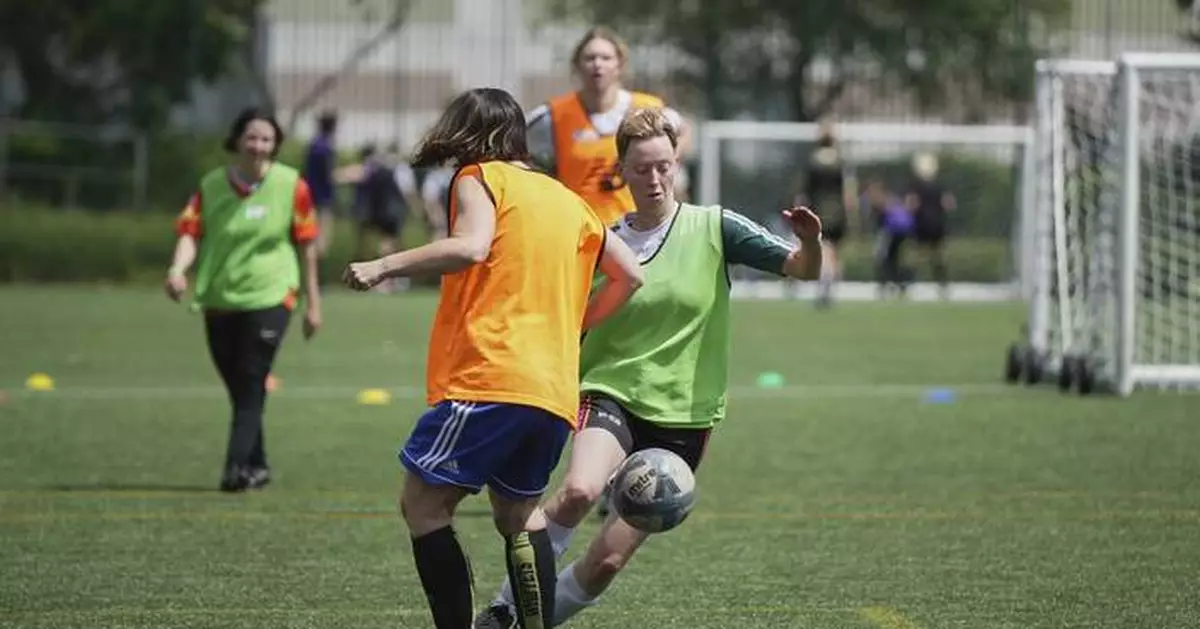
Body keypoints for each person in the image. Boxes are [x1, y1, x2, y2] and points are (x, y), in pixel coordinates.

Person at [474, 107, 823, 629]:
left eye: (664, 166)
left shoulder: (715, 227)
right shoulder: (599, 239)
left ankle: (534, 619)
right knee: (578, 491)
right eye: (642, 169)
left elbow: (802, 270)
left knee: (606, 562)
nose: (655, 179)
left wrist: (812, 242)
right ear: (623, 171)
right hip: (610, 393)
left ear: (677, 164)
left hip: (684, 417)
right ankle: (504, 613)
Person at [341, 87, 644, 629]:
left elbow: (471, 245)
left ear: (469, 133)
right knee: (519, 516)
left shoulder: (480, 177)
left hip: (492, 378)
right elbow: (630, 274)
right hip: (552, 388)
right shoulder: (566, 197)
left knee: (424, 506)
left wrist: (384, 265)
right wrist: (577, 324)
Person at [165, 107, 323, 492]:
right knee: (240, 388)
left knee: (252, 380)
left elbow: (307, 249)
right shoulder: (211, 185)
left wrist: (313, 303)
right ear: (237, 140)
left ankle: (235, 469)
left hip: (272, 296)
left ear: (275, 145)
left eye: (266, 139)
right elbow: (190, 232)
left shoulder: (293, 186)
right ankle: (259, 464)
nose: (258, 146)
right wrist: (177, 269)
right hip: (219, 298)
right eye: (251, 137)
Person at [526, 26, 691, 226]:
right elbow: (519, 155)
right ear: (576, 65)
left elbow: (683, 131)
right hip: (579, 231)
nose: (597, 64)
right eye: (590, 58)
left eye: (605, 58)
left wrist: (669, 163)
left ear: (620, 65)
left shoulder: (647, 108)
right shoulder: (553, 116)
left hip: (638, 229)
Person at [796, 117, 855, 308]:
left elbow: (804, 192)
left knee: (826, 250)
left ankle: (825, 287)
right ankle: (830, 287)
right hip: (838, 212)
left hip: (819, 211)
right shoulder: (841, 161)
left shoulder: (813, 162)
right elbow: (848, 191)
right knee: (834, 251)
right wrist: (852, 213)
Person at [905, 152, 957, 298]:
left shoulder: (915, 186)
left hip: (922, 224)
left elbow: (911, 204)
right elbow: (949, 204)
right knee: (939, 256)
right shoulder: (939, 186)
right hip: (937, 224)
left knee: (916, 256)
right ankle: (943, 286)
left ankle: (908, 284)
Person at [303, 110, 339, 256]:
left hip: (309, 195)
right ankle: (317, 273)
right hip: (323, 198)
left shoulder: (313, 144)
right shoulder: (326, 147)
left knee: (311, 235)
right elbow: (328, 174)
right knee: (322, 238)